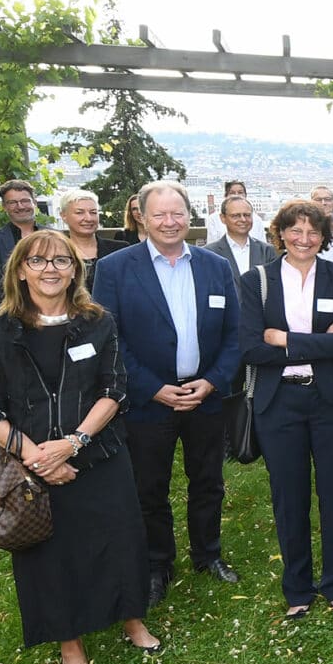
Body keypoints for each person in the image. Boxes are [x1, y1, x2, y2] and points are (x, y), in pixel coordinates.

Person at [0, 229, 158, 664]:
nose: (50, 269)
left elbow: (115, 390)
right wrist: (38, 458)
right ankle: (69, 643)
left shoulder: (98, 323)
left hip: (99, 454)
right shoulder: (0, 333)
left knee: (119, 541)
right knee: (49, 555)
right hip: (31, 467)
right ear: (19, 270)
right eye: (38, 261)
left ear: (75, 270)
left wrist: (74, 442)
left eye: (60, 261)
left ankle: (132, 620)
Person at [91, 181, 244, 607]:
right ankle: (157, 564)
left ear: (189, 215)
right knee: (149, 488)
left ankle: (207, 554)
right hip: (146, 401)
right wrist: (154, 389)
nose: (170, 221)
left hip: (205, 396)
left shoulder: (215, 267)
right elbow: (111, 339)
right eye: (159, 214)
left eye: (177, 213)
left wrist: (212, 381)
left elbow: (235, 333)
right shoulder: (117, 268)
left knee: (208, 481)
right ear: (141, 216)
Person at [239, 201, 333, 620]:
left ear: (325, 236)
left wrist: (283, 339)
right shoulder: (255, 281)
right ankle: (297, 588)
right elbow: (251, 346)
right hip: (280, 404)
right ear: (281, 233)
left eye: (313, 232)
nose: (304, 239)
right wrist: (313, 340)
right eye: (295, 231)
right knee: (288, 497)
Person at [0, 180, 45, 321]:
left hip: (49, 312)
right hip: (10, 315)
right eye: (12, 202)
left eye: (25, 201)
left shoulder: (53, 236)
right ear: (4, 207)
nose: (20, 206)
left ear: (35, 203)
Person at [58, 189, 129, 292]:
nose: (88, 218)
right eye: (79, 213)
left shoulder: (120, 250)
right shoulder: (55, 252)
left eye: (93, 212)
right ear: (63, 216)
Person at [209, 194, 277, 276]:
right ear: (223, 218)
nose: (243, 219)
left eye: (247, 215)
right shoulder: (210, 253)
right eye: (236, 216)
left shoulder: (266, 251)